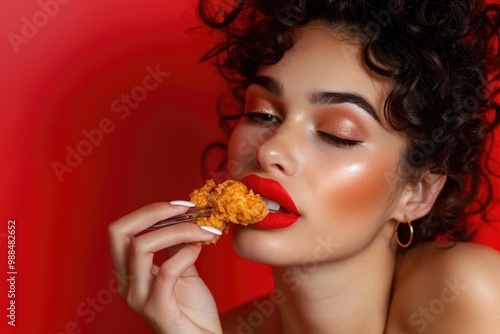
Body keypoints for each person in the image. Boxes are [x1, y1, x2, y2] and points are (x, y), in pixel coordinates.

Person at [108, 0, 500, 333]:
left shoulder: (468, 292)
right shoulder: (207, 325)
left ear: (417, 193)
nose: (270, 151)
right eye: (262, 115)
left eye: (337, 134)